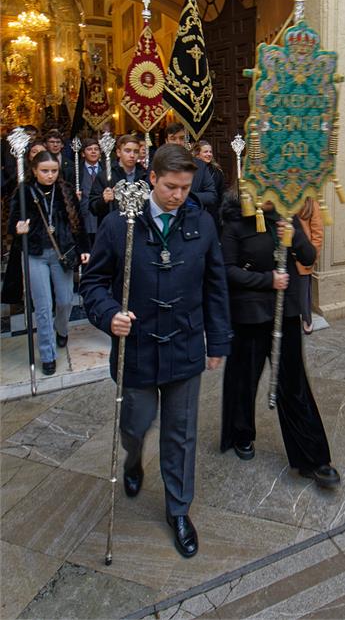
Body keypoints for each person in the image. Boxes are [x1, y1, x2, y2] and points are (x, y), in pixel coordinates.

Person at [81, 145, 232, 559]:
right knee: (137, 421)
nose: (178, 195)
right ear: (152, 179)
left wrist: (217, 341)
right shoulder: (119, 225)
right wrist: (109, 314)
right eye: (170, 186)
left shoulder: (201, 223)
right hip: (137, 351)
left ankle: (179, 509)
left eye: (185, 187)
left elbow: (215, 286)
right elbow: (92, 284)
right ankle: (132, 457)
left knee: (181, 433)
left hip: (184, 345)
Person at [220, 188, 340, 488]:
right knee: (244, 378)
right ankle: (241, 434)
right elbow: (227, 271)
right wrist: (267, 280)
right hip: (249, 314)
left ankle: (313, 458)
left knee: (293, 381)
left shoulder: (287, 217)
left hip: (284, 313)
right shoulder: (236, 222)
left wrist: (295, 236)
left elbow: (309, 256)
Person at [8, 150, 90, 374]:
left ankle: (61, 329)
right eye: (45, 171)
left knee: (65, 300)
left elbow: (78, 222)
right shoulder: (24, 192)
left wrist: (84, 248)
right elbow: (12, 222)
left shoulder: (64, 190)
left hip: (61, 253)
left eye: (54, 171)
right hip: (35, 253)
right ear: (34, 171)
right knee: (43, 306)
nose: (50, 175)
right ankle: (47, 354)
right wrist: (18, 228)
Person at [89, 134, 146, 220]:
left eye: (136, 151)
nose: (132, 155)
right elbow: (93, 208)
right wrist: (103, 200)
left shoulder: (144, 175)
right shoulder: (104, 176)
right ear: (119, 152)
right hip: (113, 227)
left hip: (139, 224)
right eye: (127, 151)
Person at [163, 123, 217, 209]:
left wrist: (186, 197)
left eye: (181, 138)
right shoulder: (158, 164)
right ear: (166, 141)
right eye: (173, 139)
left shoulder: (200, 165)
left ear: (186, 141)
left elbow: (211, 196)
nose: (178, 143)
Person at [296, 197, 324, 335]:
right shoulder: (282, 200)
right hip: (286, 258)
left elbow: (317, 234)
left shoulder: (311, 203)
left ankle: (307, 319)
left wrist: (312, 257)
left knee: (303, 295)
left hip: (303, 258)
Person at [192, 139, 225, 228]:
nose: (209, 154)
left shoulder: (217, 171)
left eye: (210, 152)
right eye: (205, 152)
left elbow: (221, 193)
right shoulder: (191, 170)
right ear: (197, 154)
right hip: (195, 211)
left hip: (214, 213)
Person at [77, 138, 102, 246]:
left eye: (96, 149)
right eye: (89, 149)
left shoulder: (107, 169)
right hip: (84, 215)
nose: (93, 152)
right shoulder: (76, 171)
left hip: (101, 216)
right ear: (83, 153)